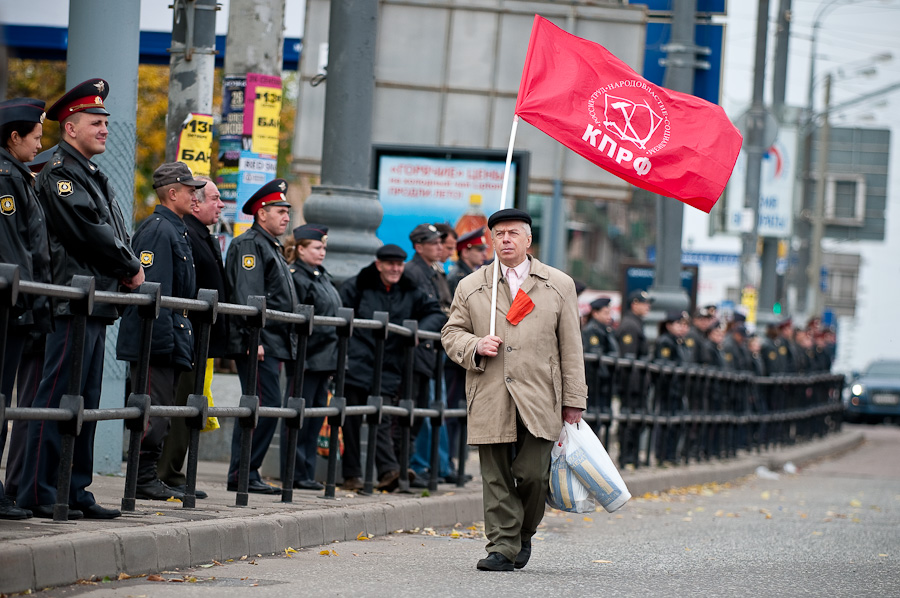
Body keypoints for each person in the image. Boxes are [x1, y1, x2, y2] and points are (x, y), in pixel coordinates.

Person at [19, 79, 145, 520]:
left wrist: (124, 262)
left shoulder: (87, 172)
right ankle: (36, 490)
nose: (105, 129)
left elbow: (108, 228)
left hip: (90, 299)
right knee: (56, 398)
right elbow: (87, 232)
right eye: (96, 122)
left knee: (84, 401)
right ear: (69, 128)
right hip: (68, 300)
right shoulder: (58, 171)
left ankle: (73, 490)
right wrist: (129, 266)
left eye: (107, 122)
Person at [441, 208, 587, 572]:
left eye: (513, 233)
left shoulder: (558, 284)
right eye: (499, 234)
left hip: (541, 396)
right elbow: (450, 333)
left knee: (534, 474)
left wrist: (574, 400)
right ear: (491, 240)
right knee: (495, 476)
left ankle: (522, 532)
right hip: (490, 391)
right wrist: (475, 345)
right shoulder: (472, 286)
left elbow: (571, 346)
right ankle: (501, 547)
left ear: (528, 240)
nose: (505, 239)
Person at [115, 162, 206, 500]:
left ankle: (148, 476)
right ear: (173, 193)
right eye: (190, 191)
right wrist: (163, 342)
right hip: (156, 337)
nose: (195, 197)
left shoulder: (175, 228)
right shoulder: (157, 229)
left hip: (171, 333)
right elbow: (152, 293)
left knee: (163, 412)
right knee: (152, 412)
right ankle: (140, 479)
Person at [339, 244, 446, 492]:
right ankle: (352, 475)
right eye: (390, 264)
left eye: (399, 264)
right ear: (379, 265)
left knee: (383, 417)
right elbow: (341, 315)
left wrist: (416, 331)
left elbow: (435, 313)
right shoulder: (358, 285)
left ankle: (388, 471)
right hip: (357, 361)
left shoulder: (410, 289)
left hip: (389, 364)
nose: (395, 269)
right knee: (352, 420)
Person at [224, 178, 297, 494]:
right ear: (261, 212)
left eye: (287, 211)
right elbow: (248, 297)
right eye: (279, 210)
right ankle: (242, 473)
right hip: (259, 340)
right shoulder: (251, 244)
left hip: (272, 341)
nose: (286, 217)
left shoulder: (269, 245)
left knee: (266, 405)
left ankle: (247, 472)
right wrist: (257, 340)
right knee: (262, 404)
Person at [157, 175, 226, 499]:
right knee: (180, 403)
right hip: (186, 331)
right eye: (213, 198)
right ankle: (166, 472)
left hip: (199, 335)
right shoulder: (182, 232)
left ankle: (172, 472)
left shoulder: (199, 234)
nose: (219, 204)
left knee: (191, 404)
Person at [0, 97, 51, 520]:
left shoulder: (17, 175)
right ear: (13, 137)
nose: (39, 144)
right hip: (9, 304)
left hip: (16, 303)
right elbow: (13, 249)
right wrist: (27, 300)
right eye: (35, 137)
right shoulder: (5, 177)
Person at [280, 223, 342, 491]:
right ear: (300, 248)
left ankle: (304, 472)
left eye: (324, 248)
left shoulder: (320, 275)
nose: (322, 252)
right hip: (308, 356)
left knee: (315, 416)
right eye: (317, 247)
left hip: (324, 357)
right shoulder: (298, 276)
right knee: (298, 417)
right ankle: (293, 472)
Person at [402, 223, 452, 483]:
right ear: (419, 246)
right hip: (421, 346)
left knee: (434, 408)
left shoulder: (435, 272)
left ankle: (436, 465)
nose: (439, 247)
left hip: (435, 347)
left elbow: (446, 308)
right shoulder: (412, 272)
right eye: (433, 243)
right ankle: (419, 465)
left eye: (439, 243)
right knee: (421, 406)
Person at [447, 227, 488, 296]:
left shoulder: (469, 273)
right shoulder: (458, 277)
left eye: (484, 250)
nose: (485, 254)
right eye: (480, 250)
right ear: (465, 252)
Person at [617, 290, 652, 359]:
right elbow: (627, 358)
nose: (648, 306)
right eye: (644, 303)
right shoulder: (630, 326)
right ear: (634, 305)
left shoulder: (636, 323)